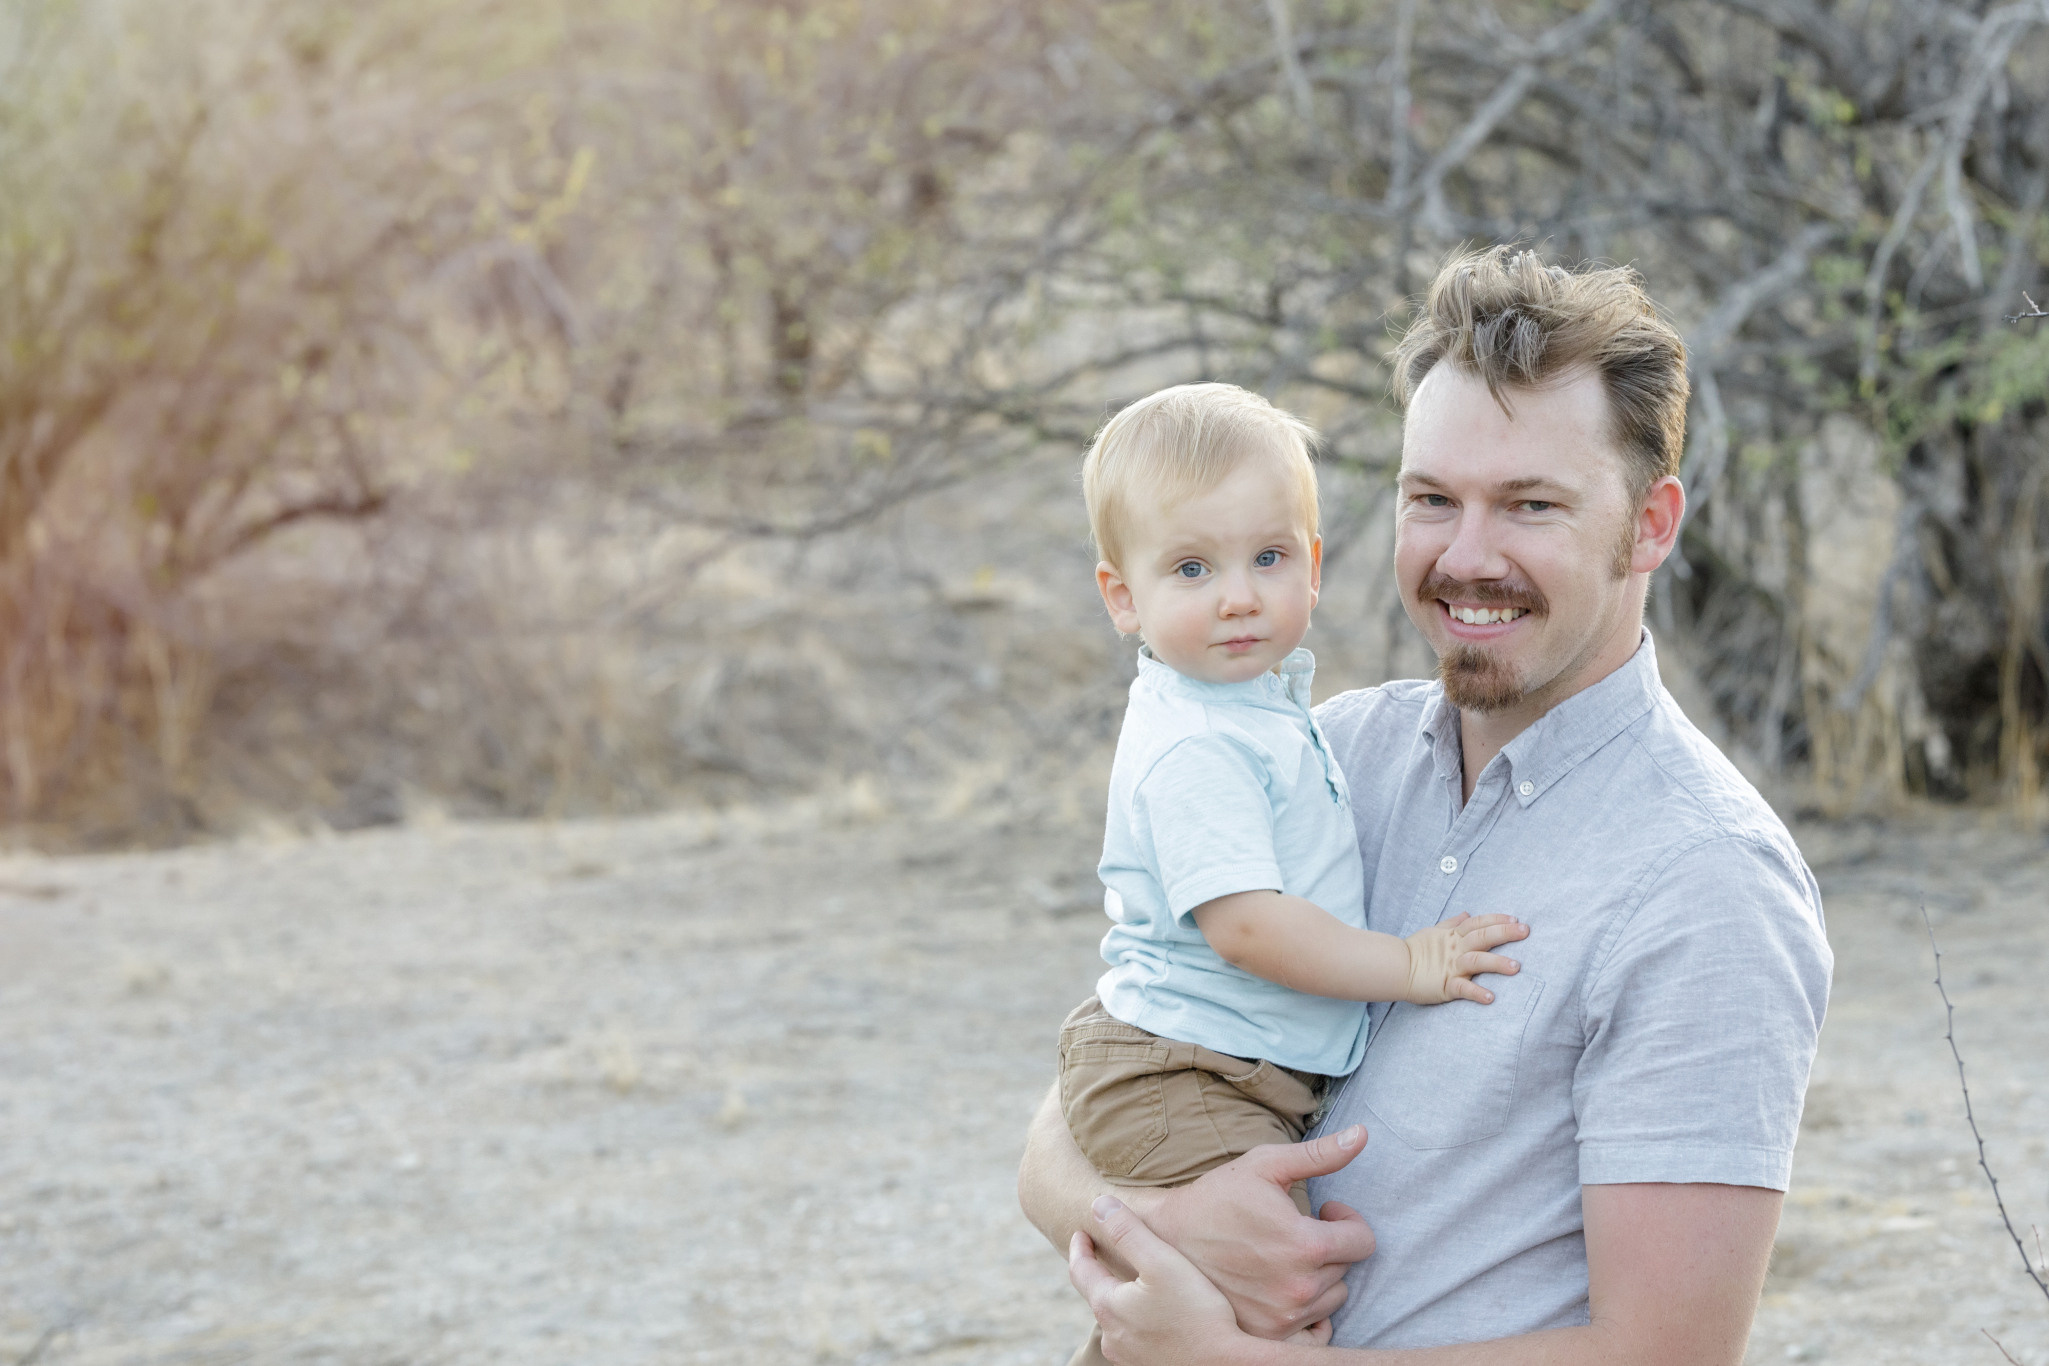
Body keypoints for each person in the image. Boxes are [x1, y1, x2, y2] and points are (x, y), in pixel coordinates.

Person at [1018, 247, 1833, 1365]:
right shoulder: (1326, 750)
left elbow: (1665, 1351)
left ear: (1650, 524)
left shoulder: (1708, 883)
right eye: (1432, 500)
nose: (1467, 556)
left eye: (1531, 505)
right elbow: (1071, 1114)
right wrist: (1160, 1220)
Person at [1058, 382, 1531, 1366]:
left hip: (1213, 1063)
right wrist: (1407, 963)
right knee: (1240, 1291)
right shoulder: (1197, 742)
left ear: (1312, 568)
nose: (1238, 595)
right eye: (1192, 567)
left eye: (1267, 558)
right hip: (1184, 1070)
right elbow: (1246, 927)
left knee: (1208, 1292)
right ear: (1122, 596)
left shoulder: (1255, 711)